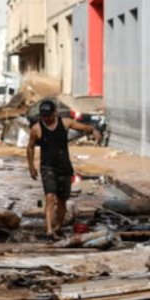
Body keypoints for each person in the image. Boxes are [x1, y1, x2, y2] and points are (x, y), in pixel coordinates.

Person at [26, 99, 101, 240]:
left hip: (64, 168)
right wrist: (31, 166)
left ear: (54, 113)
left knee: (62, 201)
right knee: (50, 197)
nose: (46, 119)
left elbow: (83, 128)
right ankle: (49, 230)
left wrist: (94, 130)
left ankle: (58, 228)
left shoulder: (65, 123)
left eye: (48, 116)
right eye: (43, 116)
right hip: (47, 167)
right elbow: (30, 147)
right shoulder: (37, 129)